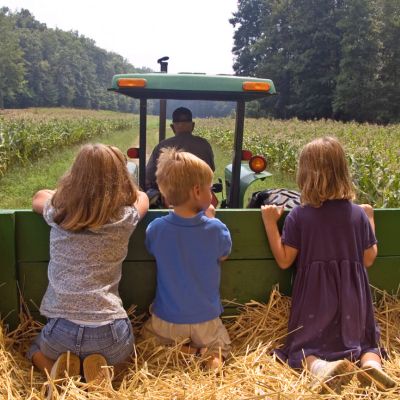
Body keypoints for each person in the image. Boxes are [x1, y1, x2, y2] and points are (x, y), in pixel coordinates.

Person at [261, 137, 396, 393]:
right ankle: (371, 364)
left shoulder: (299, 216)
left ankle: (319, 367)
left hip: (315, 298)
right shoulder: (357, 214)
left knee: (303, 345)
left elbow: (284, 259)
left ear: (304, 175)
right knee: (366, 343)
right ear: (343, 172)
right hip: (353, 298)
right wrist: (370, 219)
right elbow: (368, 258)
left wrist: (270, 223)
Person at [26, 144, 149, 390]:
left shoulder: (59, 212)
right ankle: (103, 373)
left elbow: (38, 197)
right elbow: (142, 197)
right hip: (111, 334)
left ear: (75, 176)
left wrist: (68, 193)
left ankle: (54, 370)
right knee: (125, 358)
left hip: (61, 333)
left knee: (33, 350)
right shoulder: (124, 218)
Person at [141, 147, 231, 370]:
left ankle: (189, 352)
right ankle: (211, 358)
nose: (212, 194)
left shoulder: (156, 228)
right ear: (197, 191)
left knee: (147, 341)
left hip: (167, 320)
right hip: (206, 320)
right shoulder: (216, 229)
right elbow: (224, 255)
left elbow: (153, 248)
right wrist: (211, 219)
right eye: (210, 189)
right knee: (219, 347)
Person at [145, 107, 215, 191]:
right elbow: (211, 169)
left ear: (172, 127)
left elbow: (149, 175)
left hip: (171, 197)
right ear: (193, 126)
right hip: (199, 195)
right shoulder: (204, 144)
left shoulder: (162, 146)